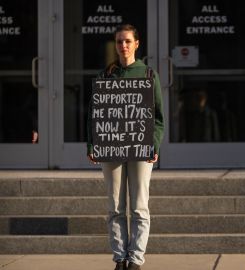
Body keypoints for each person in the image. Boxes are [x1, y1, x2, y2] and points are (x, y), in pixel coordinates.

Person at [86, 24, 164, 270]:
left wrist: (154, 144)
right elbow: (94, 114)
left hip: (141, 148)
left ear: (137, 44)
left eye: (128, 41)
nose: (123, 46)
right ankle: (120, 258)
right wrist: (93, 144)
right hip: (111, 148)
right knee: (115, 206)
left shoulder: (149, 74)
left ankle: (136, 259)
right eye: (119, 41)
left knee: (140, 206)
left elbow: (158, 116)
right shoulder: (106, 75)